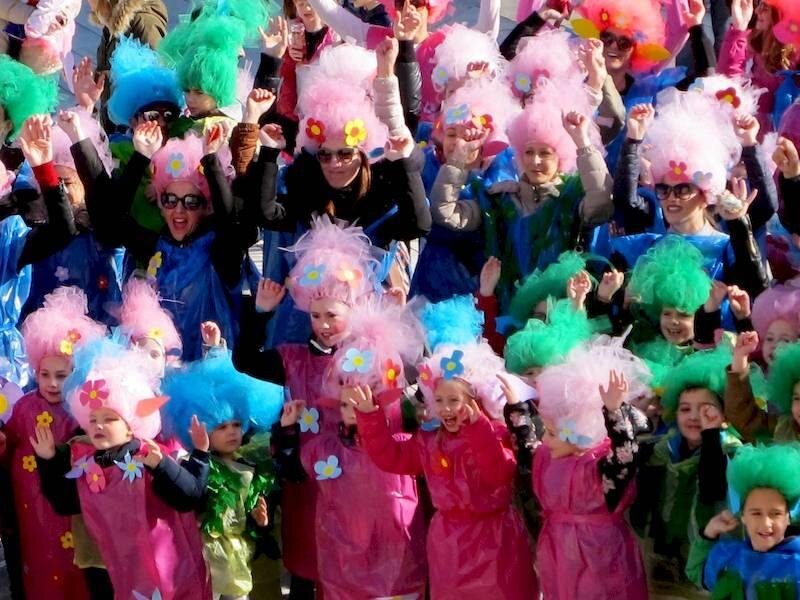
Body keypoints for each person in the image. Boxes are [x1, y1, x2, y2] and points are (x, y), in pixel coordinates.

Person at [351, 295, 538, 599]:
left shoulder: (496, 433)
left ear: (474, 400)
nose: (446, 408)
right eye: (439, 400)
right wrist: (370, 418)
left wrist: (479, 430)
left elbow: (499, 474)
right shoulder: (429, 441)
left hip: (495, 542)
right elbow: (391, 457)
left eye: (454, 400)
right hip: (449, 544)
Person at [232, 217, 381, 598]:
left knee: (348, 566)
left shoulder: (364, 358)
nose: (324, 325)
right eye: (316, 315)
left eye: (332, 315)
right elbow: (245, 360)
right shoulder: (294, 358)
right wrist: (261, 313)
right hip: (305, 479)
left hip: (351, 479)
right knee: (306, 563)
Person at [32, 337, 212, 599]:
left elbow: (190, 497)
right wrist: (47, 460)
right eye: (93, 419)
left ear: (130, 425)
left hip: (170, 577)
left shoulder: (148, 457)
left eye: (109, 419)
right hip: (124, 578)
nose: (98, 425)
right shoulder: (90, 468)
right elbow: (65, 503)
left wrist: (165, 465)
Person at [273, 297, 427, 599]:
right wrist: (288, 431)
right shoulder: (328, 449)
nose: (352, 411)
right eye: (345, 404)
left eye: (361, 404)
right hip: (345, 573)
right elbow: (292, 468)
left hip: (397, 573)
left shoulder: (400, 449)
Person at [79, 123, 255, 360]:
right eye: (170, 200)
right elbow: (109, 220)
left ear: (206, 207)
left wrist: (211, 161)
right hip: (164, 371)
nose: (179, 210)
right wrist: (140, 156)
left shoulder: (220, 251)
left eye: (191, 202)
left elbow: (229, 222)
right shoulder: (156, 246)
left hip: (209, 373)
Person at [506, 338, 651, 599]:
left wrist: (614, 410)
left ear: (578, 433)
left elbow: (625, 455)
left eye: (552, 433)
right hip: (558, 554)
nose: (545, 439)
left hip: (602, 557)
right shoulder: (548, 457)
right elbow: (527, 448)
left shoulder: (602, 468)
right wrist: (517, 407)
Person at [0, 287, 105, 599]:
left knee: (74, 567)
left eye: (61, 375)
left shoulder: (82, 409)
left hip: (69, 507)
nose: (52, 383)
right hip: (29, 508)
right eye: (44, 374)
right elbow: (8, 445)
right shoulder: (24, 407)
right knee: (39, 567)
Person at [161, 351, 283, 600]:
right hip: (204, 555)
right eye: (221, 426)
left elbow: (248, 513)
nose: (232, 432)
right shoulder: (194, 464)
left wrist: (259, 521)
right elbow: (191, 496)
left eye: (237, 425)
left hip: (239, 555)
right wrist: (201, 452)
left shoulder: (249, 466)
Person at [632, 344, 742, 597]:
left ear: (724, 415)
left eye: (706, 410)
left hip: (705, 555)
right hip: (664, 555)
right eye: (685, 409)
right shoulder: (663, 447)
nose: (694, 416)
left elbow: (714, 488)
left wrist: (712, 434)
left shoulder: (730, 452)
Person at [686, 443, 800, 593]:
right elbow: (696, 573)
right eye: (756, 513)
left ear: (788, 518)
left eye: (775, 514)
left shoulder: (796, 564)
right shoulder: (728, 558)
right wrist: (709, 533)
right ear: (743, 516)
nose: (766, 523)